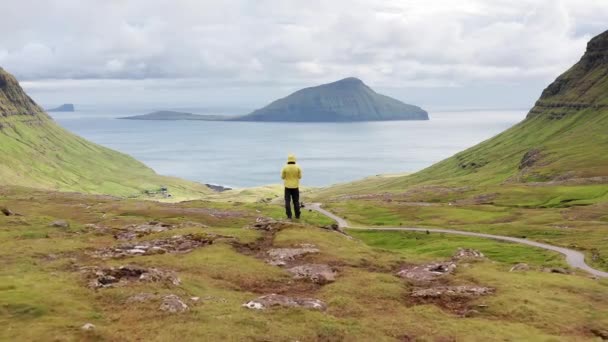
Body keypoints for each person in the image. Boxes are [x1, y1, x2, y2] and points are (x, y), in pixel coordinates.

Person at [281, 154, 302, 219]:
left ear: (288, 160)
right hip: (295, 186)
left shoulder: (285, 167)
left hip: (287, 187)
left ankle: (289, 215)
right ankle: (297, 215)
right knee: (296, 201)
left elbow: (282, 177)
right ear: (294, 159)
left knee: (287, 201)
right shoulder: (298, 167)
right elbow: (300, 177)